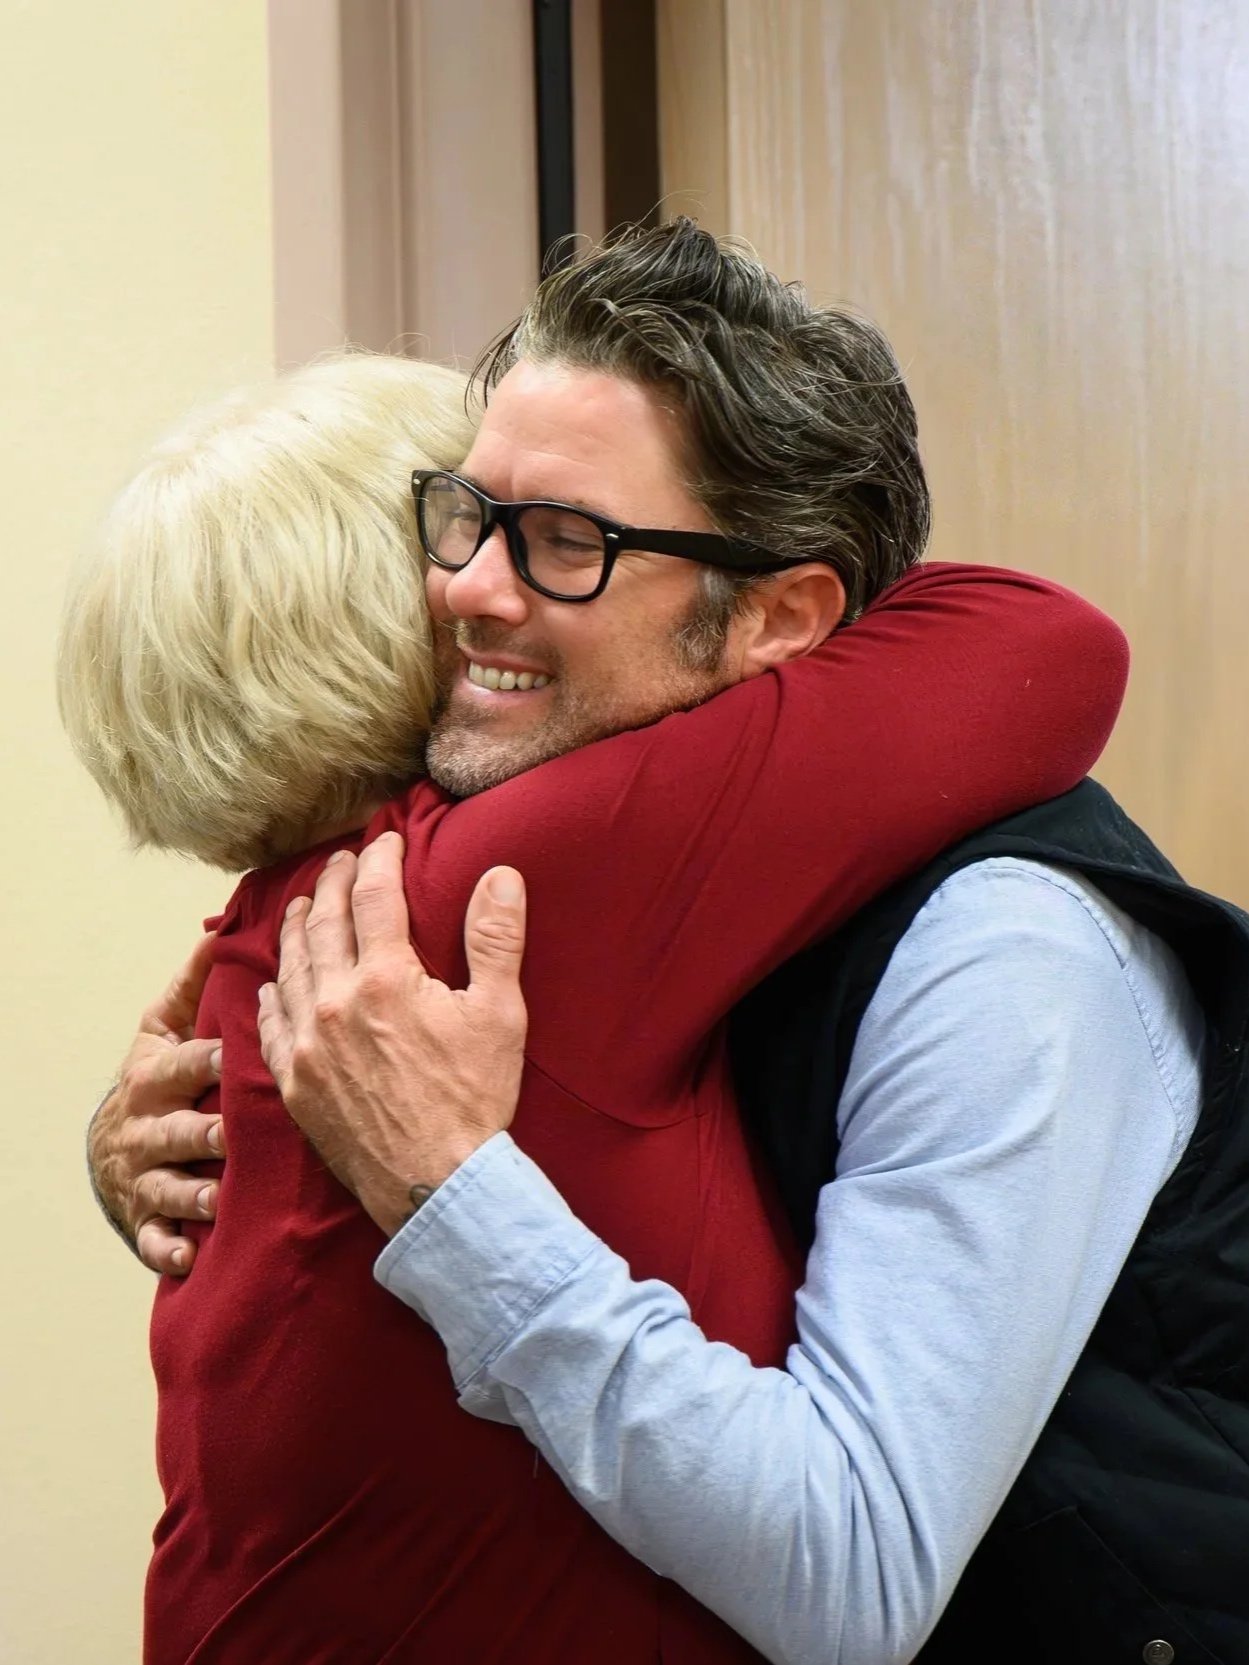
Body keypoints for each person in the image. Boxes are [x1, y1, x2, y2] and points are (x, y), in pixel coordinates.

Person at [76, 223, 1231, 1664]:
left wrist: (452, 1193)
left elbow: (850, 1567)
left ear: (781, 617)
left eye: (567, 541)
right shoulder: (464, 889)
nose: (468, 588)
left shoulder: (999, 945)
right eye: (457, 514)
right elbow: (1042, 639)